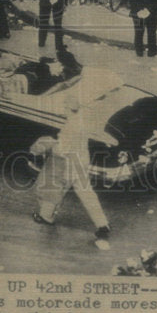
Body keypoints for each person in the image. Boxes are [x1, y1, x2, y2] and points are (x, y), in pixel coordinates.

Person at [31, 89, 116, 250]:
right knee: (87, 193)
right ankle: (102, 224)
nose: (63, 108)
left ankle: (46, 216)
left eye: (65, 106)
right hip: (82, 161)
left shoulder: (71, 126)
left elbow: (62, 150)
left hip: (68, 164)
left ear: (69, 108)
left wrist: (48, 144)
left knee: (55, 189)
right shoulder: (83, 119)